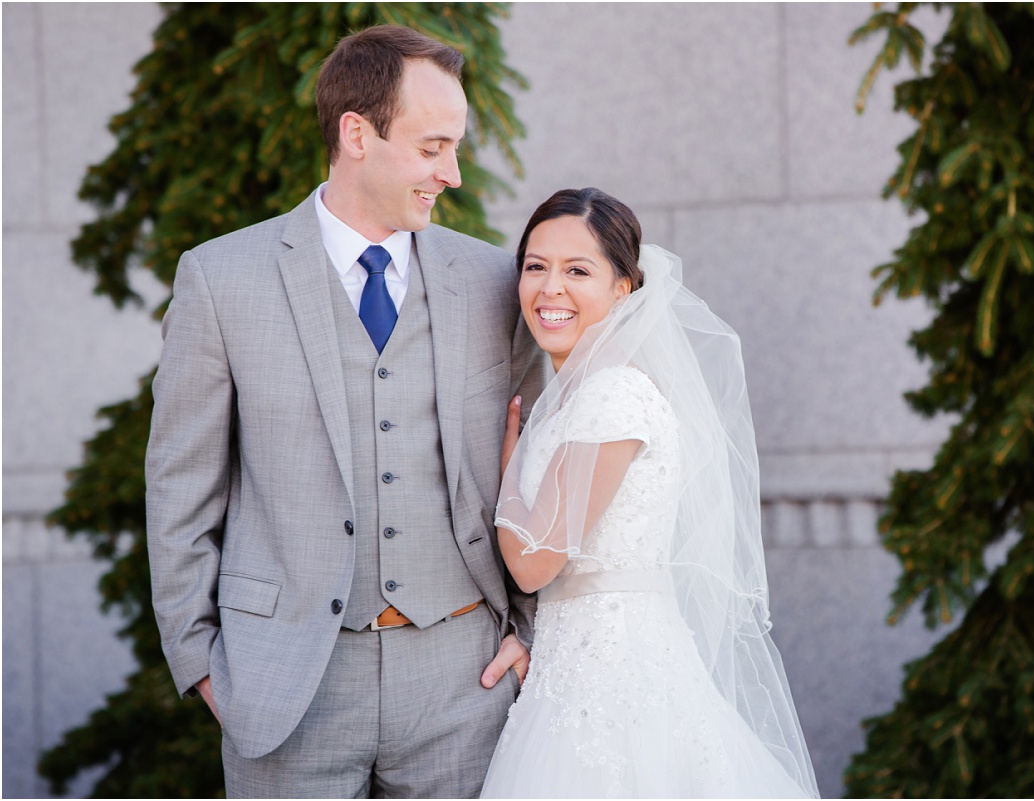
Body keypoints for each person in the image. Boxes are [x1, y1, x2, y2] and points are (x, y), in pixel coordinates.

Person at [145, 25, 542, 798]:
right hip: (286, 684)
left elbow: (538, 459)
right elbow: (179, 484)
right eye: (432, 147)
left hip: (464, 682)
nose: (452, 173)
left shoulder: (495, 281)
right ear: (357, 133)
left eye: (455, 148)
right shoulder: (222, 279)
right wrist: (200, 663)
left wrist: (530, 631)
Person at [479, 188, 820, 798]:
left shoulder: (613, 397)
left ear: (623, 290)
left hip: (616, 683)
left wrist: (507, 468)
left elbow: (534, 565)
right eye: (536, 266)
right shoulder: (575, 395)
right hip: (570, 667)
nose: (550, 288)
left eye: (577, 271)